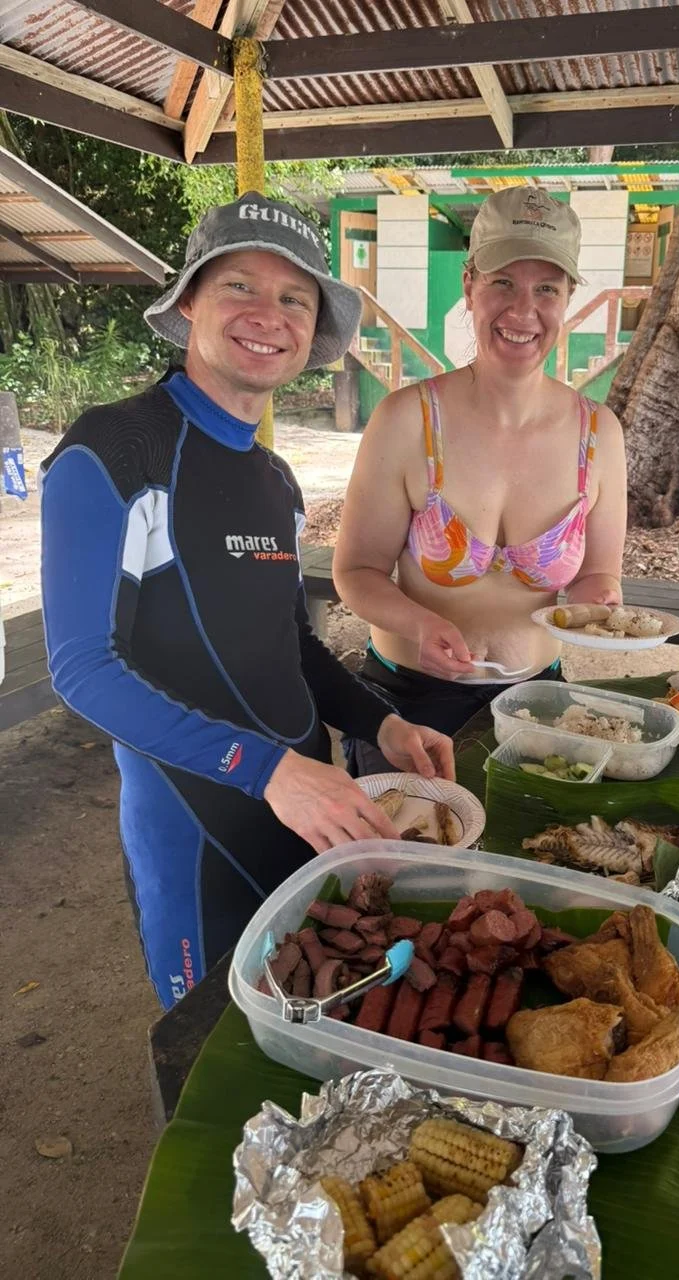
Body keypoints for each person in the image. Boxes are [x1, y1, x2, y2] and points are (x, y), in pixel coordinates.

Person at [40, 194, 453, 1008]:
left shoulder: (276, 482)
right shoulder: (115, 450)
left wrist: (382, 723)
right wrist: (266, 771)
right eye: (240, 286)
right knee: (206, 1061)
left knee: (324, 1020)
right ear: (190, 300)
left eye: (294, 297)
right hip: (195, 829)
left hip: (312, 807)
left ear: (312, 328)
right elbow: (81, 670)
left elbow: (289, 645)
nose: (269, 315)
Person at [333, 187, 627, 775]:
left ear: (568, 299)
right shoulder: (406, 420)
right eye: (503, 283)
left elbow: (598, 575)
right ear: (469, 286)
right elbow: (355, 573)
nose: (524, 311)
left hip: (538, 706)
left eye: (547, 288)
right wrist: (422, 623)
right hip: (409, 705)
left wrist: (599, 602)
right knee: (409, 868)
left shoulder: (599, 433)